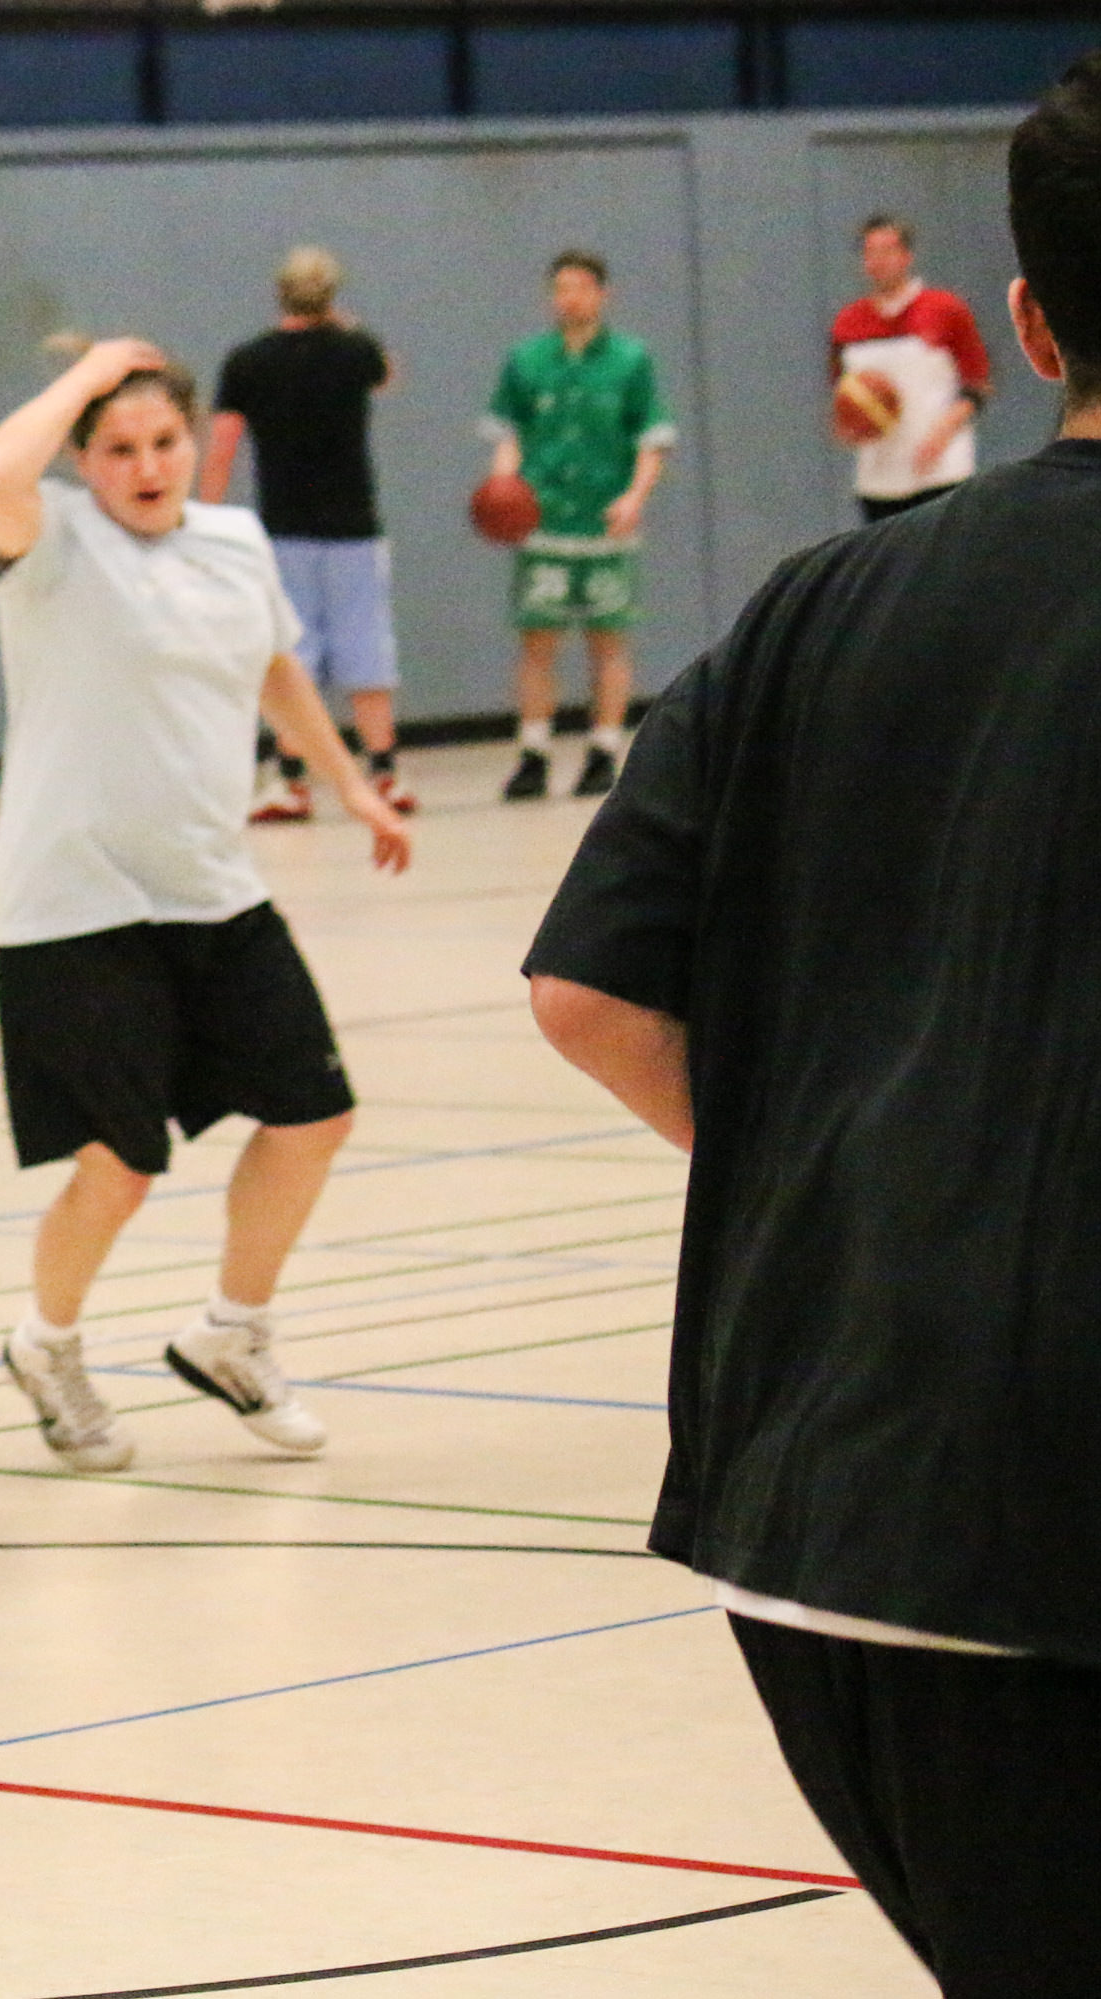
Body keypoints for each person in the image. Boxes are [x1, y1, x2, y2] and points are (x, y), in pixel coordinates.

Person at [525, 54, 1101, 1992]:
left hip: (824, 1528)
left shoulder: (806, 608)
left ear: (1022, 325)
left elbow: (583, 991)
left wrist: (859, 1164)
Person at [0, 335, 411, 1476]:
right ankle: (44, 1346)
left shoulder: (234, 542)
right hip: (76, 904)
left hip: (212, 890)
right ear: (84, 460)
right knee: (119, 1165)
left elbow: (273, 669)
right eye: (117, 449)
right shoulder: (50, 542)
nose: (147, 466)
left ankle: (232, 1331)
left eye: (164, 441)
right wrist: (87, 374)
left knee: (312, 1115)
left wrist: (350, 783)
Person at [204, 246, 416, 822]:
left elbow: (222, 445)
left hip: (282, 533)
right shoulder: (355, 351)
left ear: (279, 293)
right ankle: (385, 774)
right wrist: (345, 325)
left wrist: (205, 517)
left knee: (288, 657)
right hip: (355, 529)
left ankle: (292, 782)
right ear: (332, 295)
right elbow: (389, 375)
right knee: (368, 652)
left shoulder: (248, 361)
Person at [483, 250, 676, 802]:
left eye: (580, 288)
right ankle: (533, 752)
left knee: (608, 640)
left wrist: (635, 497)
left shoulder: (630, 360)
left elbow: (652, 439)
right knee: (537, 640)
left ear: (602, 294)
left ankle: (603, 750)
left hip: (605, 521)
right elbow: (509, 434)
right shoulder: (526, 360)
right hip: (544, 521)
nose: (569, 298)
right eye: (561, 288)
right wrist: (504, 487)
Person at [831, 211, 992, 522]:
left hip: (941, 472)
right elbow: (843, 394)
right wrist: (850, 425)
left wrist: (943, 431)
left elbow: (978, 382)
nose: (879, 261)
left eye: (887, 250)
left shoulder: (945, 310)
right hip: (879, 479)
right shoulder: (847, 324)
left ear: (907, 255)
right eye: (870, 252)